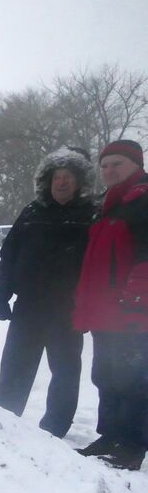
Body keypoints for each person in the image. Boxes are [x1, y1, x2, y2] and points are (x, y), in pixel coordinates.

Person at [0, 148, 95, 438]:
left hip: (69, 309)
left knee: (65, 372)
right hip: (29, 307)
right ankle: (3, 424)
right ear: (47, 181)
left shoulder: (91, 214)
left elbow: (99, 265)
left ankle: (54, 429)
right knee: (15, 367)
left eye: (68, 177)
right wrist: (0, 294)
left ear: (79, 182)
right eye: (56, 177)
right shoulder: (32, 211)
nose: (61, 183)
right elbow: (9, 256)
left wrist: (91, 306)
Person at [73, 139, 148, 471]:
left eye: (117, 163)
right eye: (104, 166)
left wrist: (137, 300)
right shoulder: (108, 206)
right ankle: (110, 436)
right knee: (106, 375)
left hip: (132, 313)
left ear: (136, 165)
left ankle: (132, 446)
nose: (109, 170)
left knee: (134, 378)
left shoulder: (142, 201)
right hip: (105, 312)